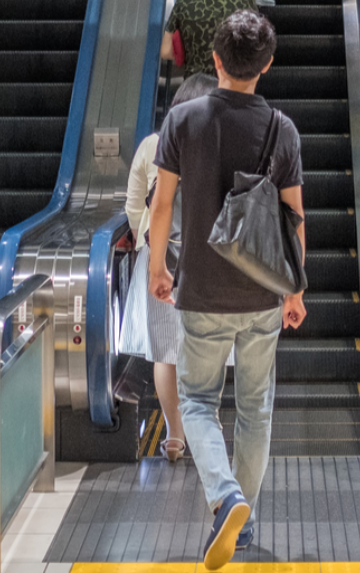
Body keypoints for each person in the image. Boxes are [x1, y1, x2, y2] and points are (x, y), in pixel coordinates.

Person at [148, 11, 306, 569]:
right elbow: (293, 217)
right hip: (263, 292)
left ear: (214, 59)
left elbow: (162, 204)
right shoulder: (282, 128)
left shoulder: (183, 119)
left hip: (201, 291)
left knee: (196, 401)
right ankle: (242, 525)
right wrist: (295, 290)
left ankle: (225, 497)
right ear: (267, 65)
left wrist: (156, 270)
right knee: (255, 409)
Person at [121, 74, 219, 462]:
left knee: (166, 351)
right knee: (210, 348)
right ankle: (205, 426)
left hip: (159, 256)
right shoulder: (217, 146)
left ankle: (175, 436)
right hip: (209, 258)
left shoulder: (152, 145)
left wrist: (144, 237)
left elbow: (134, 205)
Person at [160, 0, 255, 79]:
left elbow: (166, 51)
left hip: (195, 82)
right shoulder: (245, 0)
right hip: (231, 82)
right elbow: (253, 47)